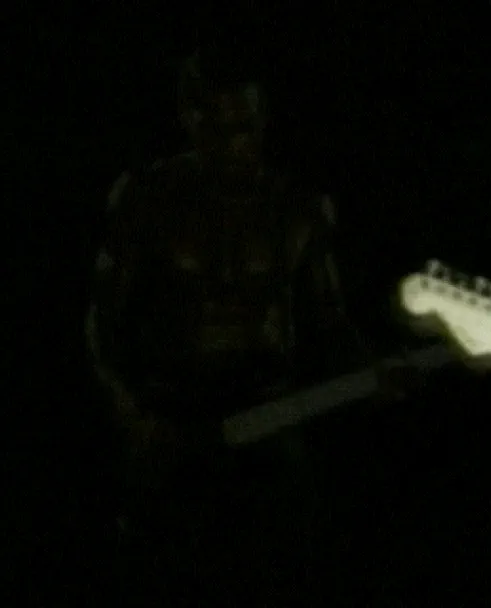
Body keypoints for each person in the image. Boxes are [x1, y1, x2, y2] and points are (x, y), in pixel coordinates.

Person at [85, 43, 403, 604]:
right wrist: (130, 414)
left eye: (248, 127)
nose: (238, 145)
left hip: (269, 420)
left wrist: (373, 372)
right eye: (221, 128)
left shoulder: (297, 208)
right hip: (173, 423)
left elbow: (331, 322)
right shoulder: (148, 200)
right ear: (190, 120)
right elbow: (103, 324)